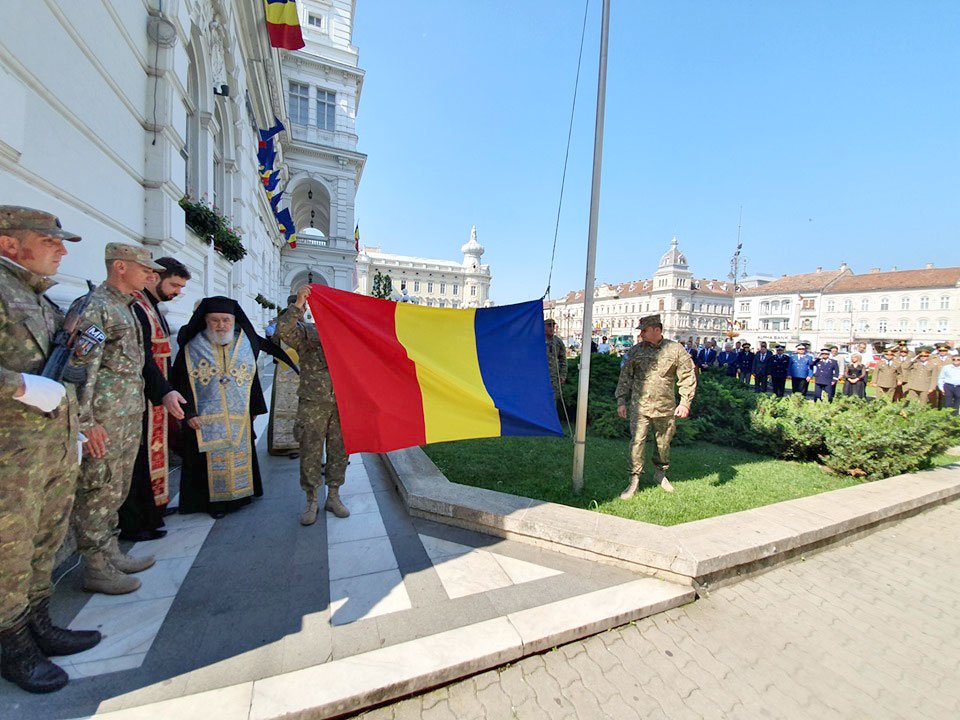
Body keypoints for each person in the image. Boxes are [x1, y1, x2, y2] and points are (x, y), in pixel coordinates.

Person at [0, 207, 101, 693]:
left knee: (43, 541)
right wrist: (18, 386)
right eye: (49, 241)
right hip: (11, 455)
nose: (61, 250)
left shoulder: (38, 297)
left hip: (49, 448)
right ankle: (12, 644)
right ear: (9, 244)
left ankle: (39, 623)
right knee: (8, 551)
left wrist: (74, 427)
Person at [71, 244, 184, 596]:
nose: (151, 275)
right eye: (144, 269)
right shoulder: (96, 307)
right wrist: (86, 422)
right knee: (97, 492)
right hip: (103, 421)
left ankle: (110, 554)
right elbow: (79, 369)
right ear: (120, 267)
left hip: (126, 416)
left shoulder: (128, 306)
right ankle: (96, 568)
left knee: (115, 490)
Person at [172, 297, 284, 518]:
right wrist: (189, 413)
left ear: (234, 320)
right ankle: (214, 503)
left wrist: (254, 409)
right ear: (205, 320)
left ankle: (241, 496)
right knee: (206, 461)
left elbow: (252, 378)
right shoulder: (193, 346)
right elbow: (181, 381)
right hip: (204, 418)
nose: (221, 325)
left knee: (238, 452)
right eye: (215, 320)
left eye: (226, 320)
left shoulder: (244, 343)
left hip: (238, 415)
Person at [118, 257, 190, 542]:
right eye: (174, 285)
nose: (177, 292)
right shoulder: (136, 306)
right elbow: (143, 357)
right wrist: (164, 390)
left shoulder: (151, 305)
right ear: (155, 278)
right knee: (137, 461)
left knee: (149, 457)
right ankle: (136, 522)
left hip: (153, 395)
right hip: (140, 396)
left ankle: (152, 511)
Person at [277, 285, 349, 523]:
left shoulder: (348, 336)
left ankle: (334, 496)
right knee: (310, 452)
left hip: (342, 405)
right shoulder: (308, 333)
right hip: (313, 404)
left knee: (339, 452)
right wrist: (299, 304)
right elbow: (283, 331)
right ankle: (311, 500)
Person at [615, 314, 696, 497]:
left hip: (665, 407)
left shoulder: (675, 350)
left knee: (663, 443)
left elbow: (687, 376)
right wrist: (621, 400)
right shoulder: (635, 351)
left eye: (644, 330)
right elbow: (625, 377)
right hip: (640, 406)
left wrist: (685, 403)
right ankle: (634, 479)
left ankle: (660, 474)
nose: (641, 334)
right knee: (637, 442)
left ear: (656, 330)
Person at [544, 318, 567, 417]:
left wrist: (563, 375)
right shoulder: (538, 340)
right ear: (543, 327)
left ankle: (550, 420)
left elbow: (563, 360)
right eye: (549, 326)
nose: (552, 328)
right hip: (539, 377)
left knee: (552, 400)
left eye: (553, 326)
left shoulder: (557, 342)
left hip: (553, 377)